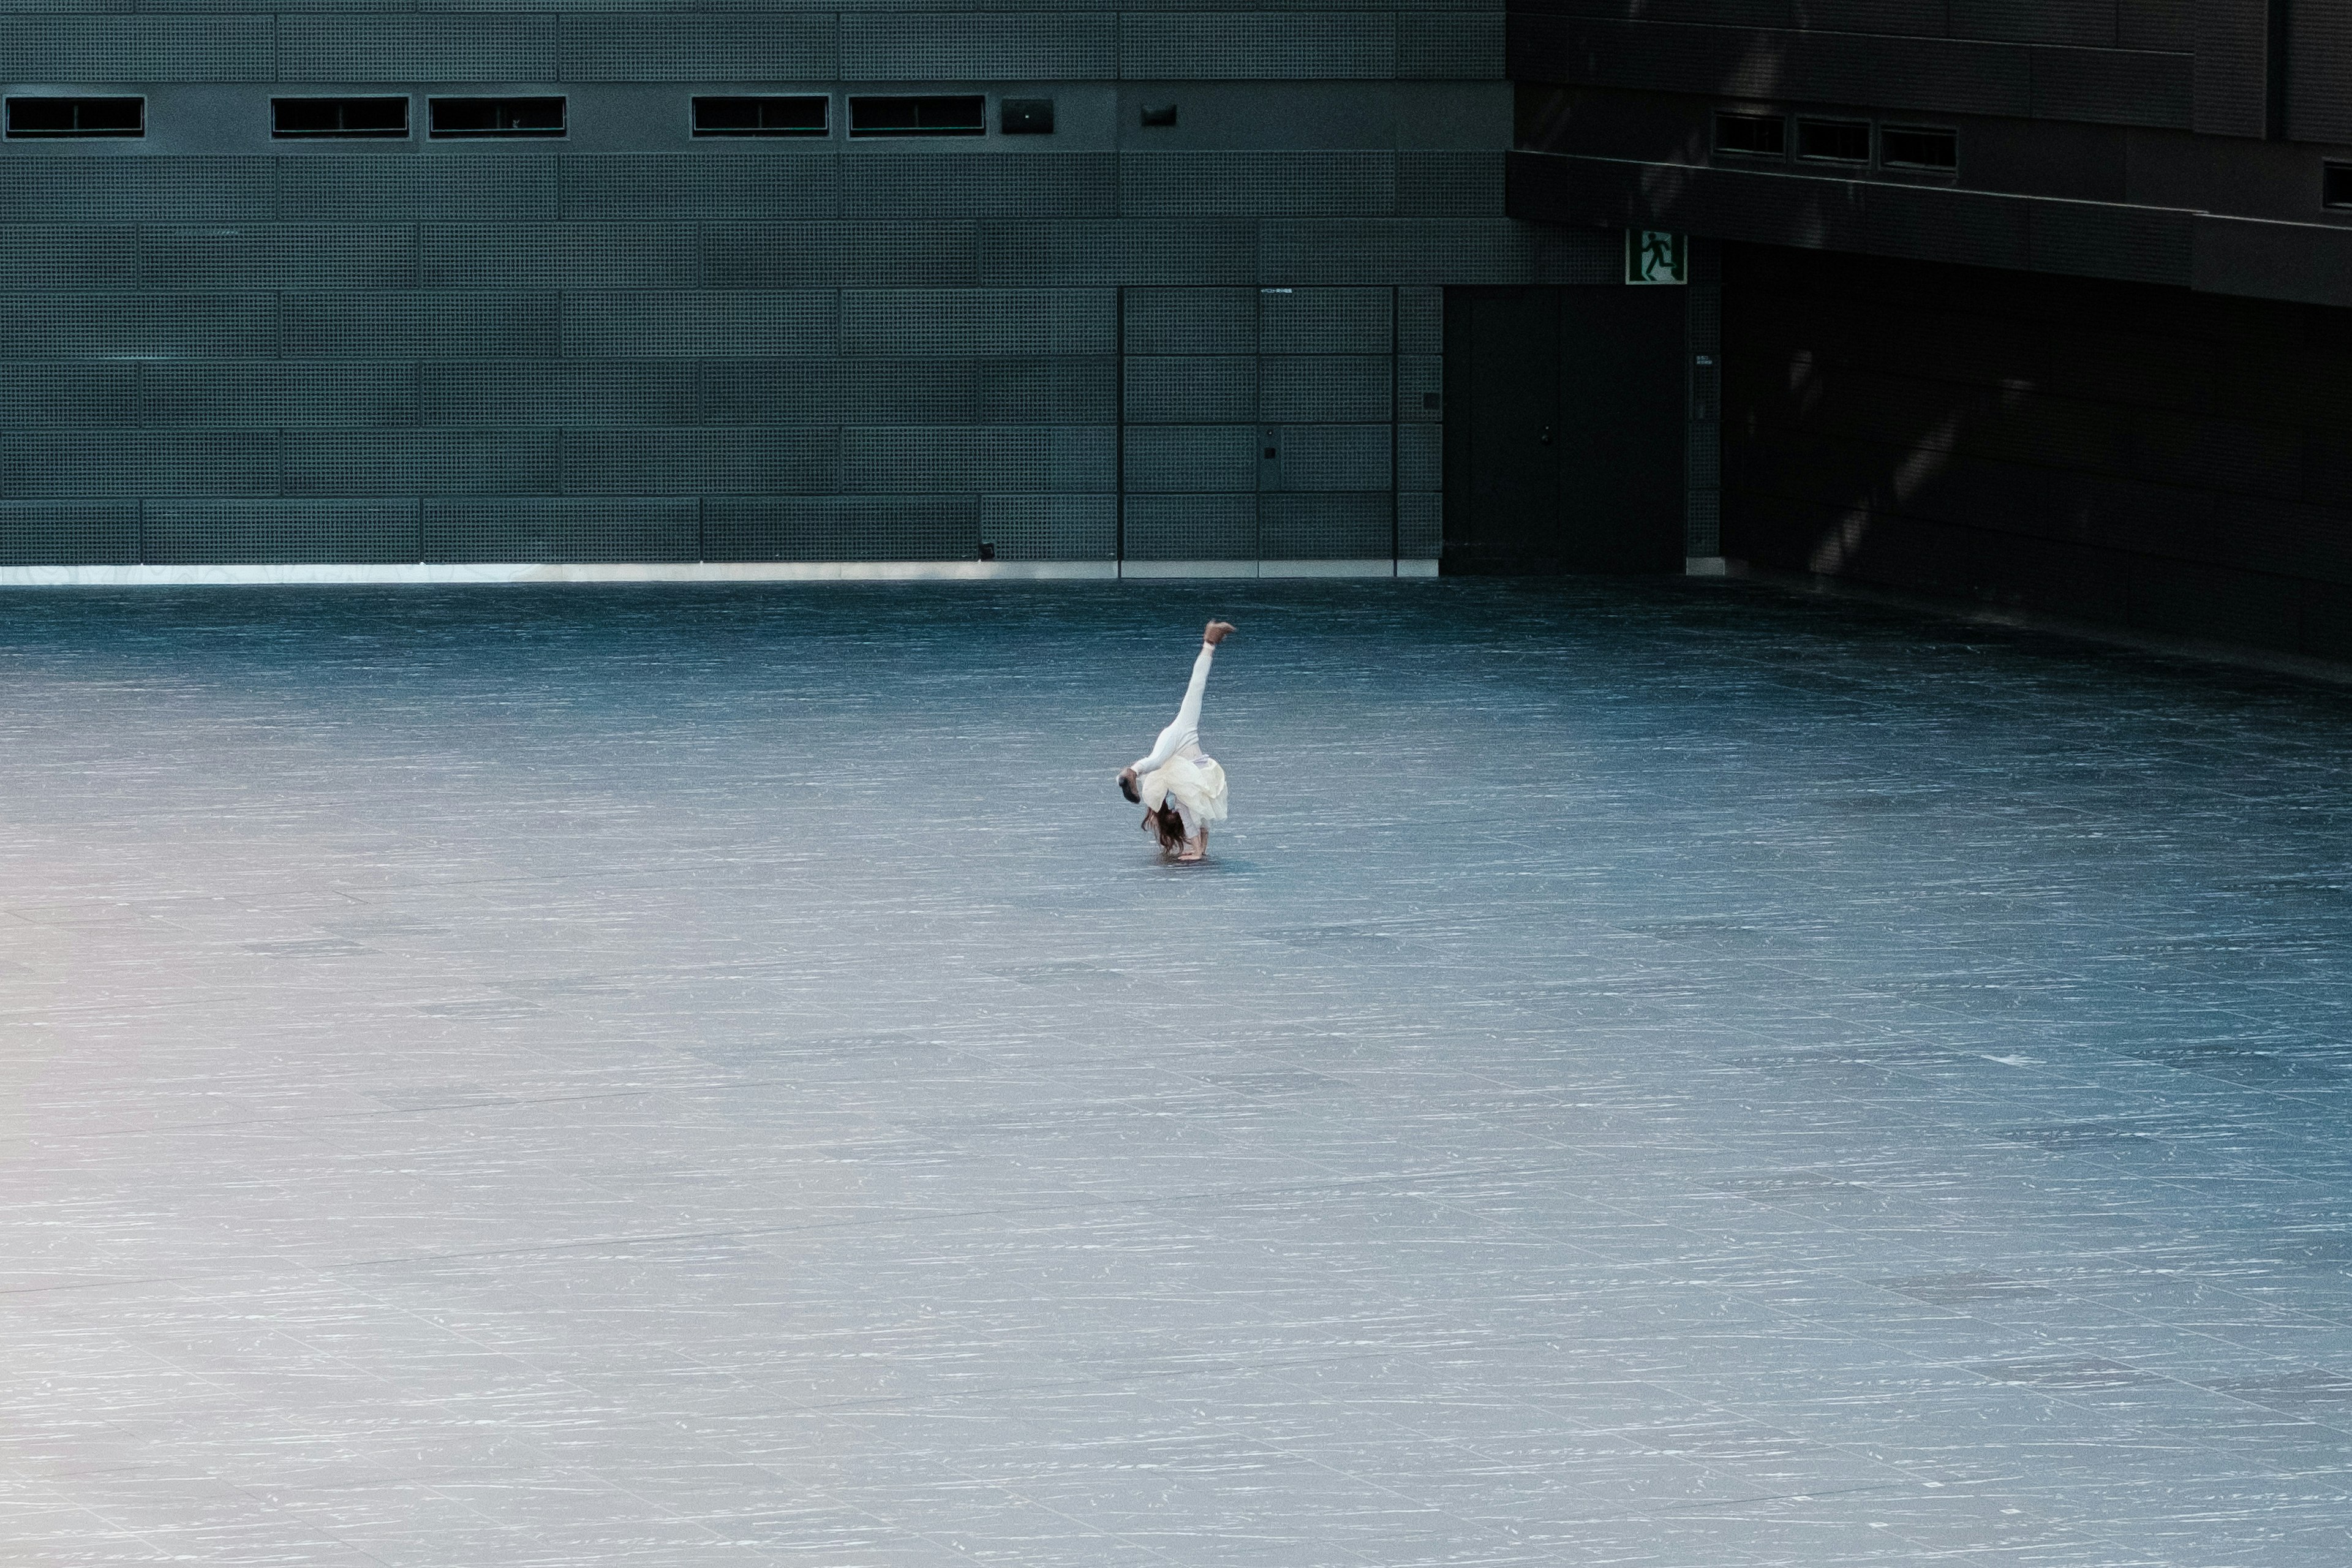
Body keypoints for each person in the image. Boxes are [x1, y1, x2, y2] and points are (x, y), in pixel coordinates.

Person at [1118, 620, 1235, 862]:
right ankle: (1132, 772)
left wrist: (1197, 849)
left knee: (1161, 762)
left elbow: (1195, 821)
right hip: (1192, 758)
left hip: (1184, 751)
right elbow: (1199, 822)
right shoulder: (1183, 799)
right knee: (1189, 801)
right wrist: (1199, 850)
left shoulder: (1180, 796)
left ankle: (1132, 772)